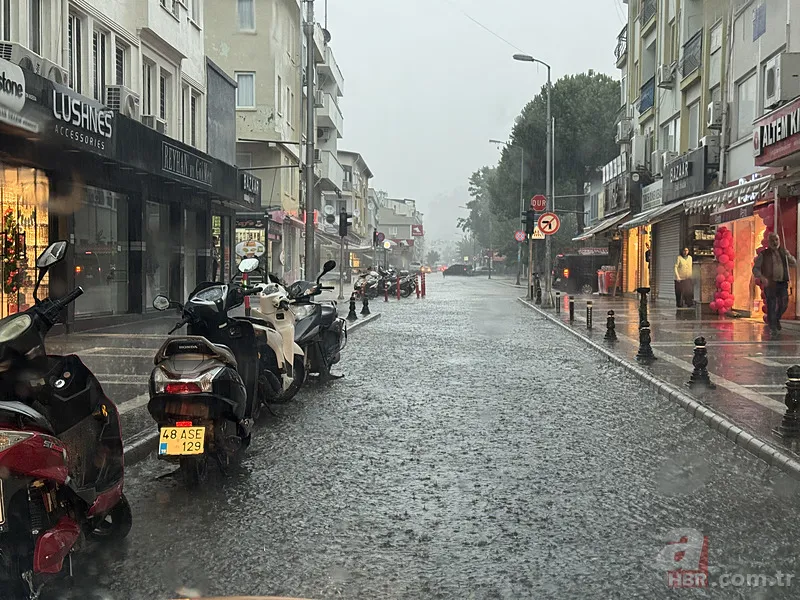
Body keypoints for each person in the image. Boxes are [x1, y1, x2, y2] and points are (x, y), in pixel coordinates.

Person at [753, 232, 797, 335]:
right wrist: (762, 277)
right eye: (772, 240)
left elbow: (794, 263)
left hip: (782, 282)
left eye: (776, 240)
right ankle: (773, 327)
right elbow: (756, 269)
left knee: (784, 303)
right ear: (769, 242)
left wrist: (788, 255)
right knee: (771, 305)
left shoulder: (783, 253)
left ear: (779, 241)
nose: (775, 242)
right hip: (770, 283)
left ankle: (776, 319)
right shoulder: (764, 254)